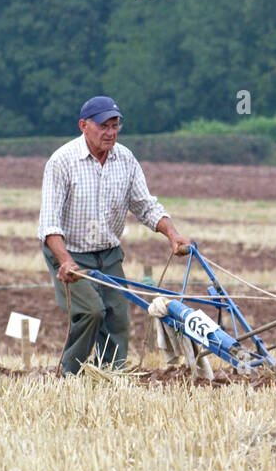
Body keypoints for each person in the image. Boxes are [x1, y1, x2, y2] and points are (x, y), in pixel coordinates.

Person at [38, 95, 191, 375]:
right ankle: (70, 375)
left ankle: (108, 376)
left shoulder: (126, 159)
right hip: (70, 252)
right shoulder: (62, 161)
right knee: (91, 312)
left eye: (115, 125)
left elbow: (144, 205)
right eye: (103, 126)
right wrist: (65, 261)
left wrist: (172, 233)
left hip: (108, 252)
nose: (110, 133)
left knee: (118, 318)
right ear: (83, 125)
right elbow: (49, 224)